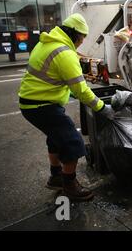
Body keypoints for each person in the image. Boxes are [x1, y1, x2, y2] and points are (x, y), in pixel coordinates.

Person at [18, 13, 115, 201]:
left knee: (56, 138)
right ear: (73, 34)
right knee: (72, 142)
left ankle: (55, 177)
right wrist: (102, 107)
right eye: (81, 39)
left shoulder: (45, 43)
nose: (81, 43)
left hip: (32, 102)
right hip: (41, 105)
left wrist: (67, 92)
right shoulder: (64, 54)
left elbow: (49, 79)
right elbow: (82, 90)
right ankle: (70, 186)